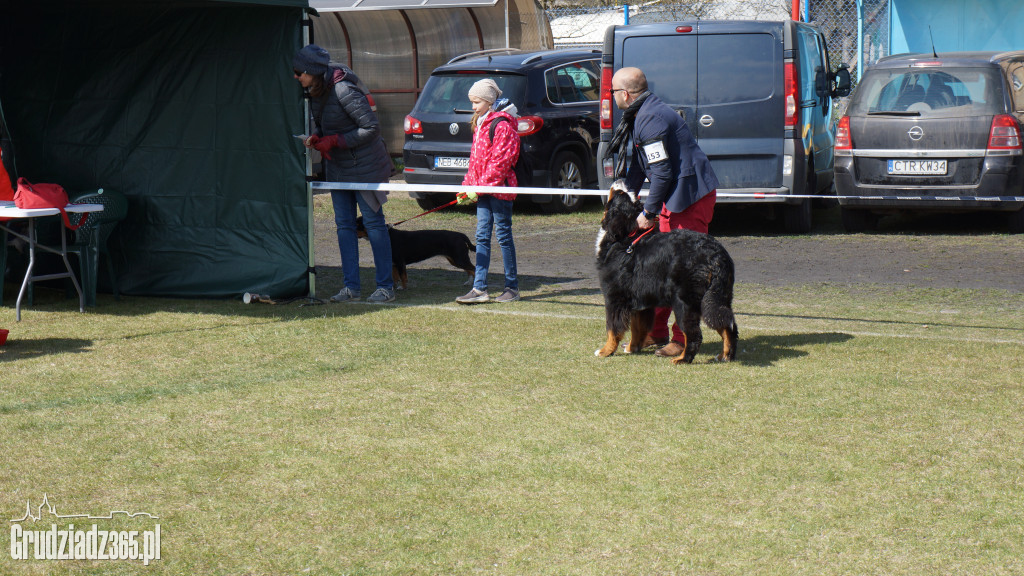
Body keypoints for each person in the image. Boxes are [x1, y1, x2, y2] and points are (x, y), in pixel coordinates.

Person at [609, 66, 719, 358]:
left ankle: (682, 339)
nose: (610, 97)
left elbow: (661, 171)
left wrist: (648, 211)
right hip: (677, 195)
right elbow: (640, 164)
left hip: (689, 198)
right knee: (662, 269)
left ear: (625, 94)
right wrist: (624, 190)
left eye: (611, 92)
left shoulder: (650, 118)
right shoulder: (642, 113)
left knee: (684, 273)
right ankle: (652, 333)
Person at [293, 44, 396, 304]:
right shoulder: (316, 91)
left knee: (373, 225)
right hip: (338, 168)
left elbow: (370, 128)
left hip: (366, 168)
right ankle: (351, 287)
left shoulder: (344, 89)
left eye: (298, 72)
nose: (296, 77)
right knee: (344, 226)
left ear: (311, 71)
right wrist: (318, 136)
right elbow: (325, 125)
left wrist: (335, 141)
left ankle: (385, 287)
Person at [454, 79, 521, 304]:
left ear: (489, 101)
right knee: (481, 236)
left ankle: (511, 287)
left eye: (476, 102)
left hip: (499, 192)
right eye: (472, 102)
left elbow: (500, 163)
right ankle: (479, 288)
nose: (473, 106)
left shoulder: (502, 125)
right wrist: (468, 187)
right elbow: (476, 161)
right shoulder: (481, 124)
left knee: (503, 237)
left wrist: (479, 188)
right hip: (483, 191)